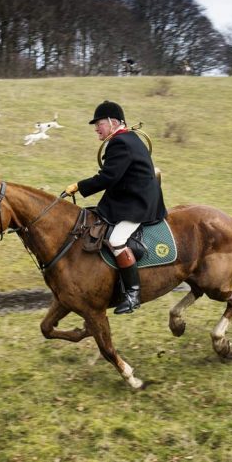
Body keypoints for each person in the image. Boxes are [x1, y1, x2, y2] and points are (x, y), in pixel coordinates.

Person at [64, 100, 167, 314]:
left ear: (112, 122)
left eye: (99, 124)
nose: (96, 129)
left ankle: (133, 294)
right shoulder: (128, 138)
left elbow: (108, 177)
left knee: (116, 240)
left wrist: (78, 187)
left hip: (137, 203)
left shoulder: (120, 142)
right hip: (127, 197)